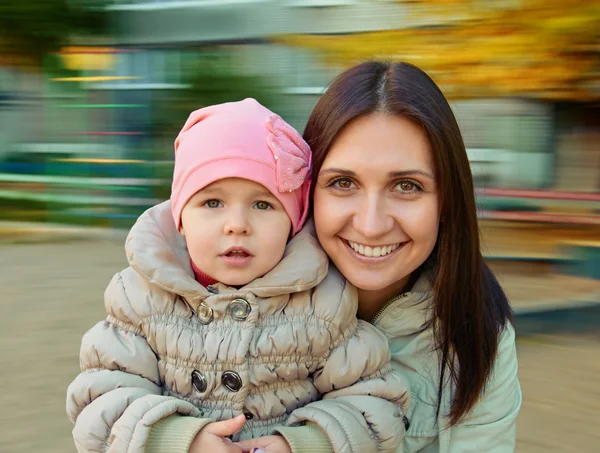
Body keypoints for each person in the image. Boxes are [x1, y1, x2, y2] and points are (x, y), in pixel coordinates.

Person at [66, 98, 410, 453]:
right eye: (212, 203)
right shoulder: (140, 298)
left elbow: (375, 407)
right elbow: (101, 401)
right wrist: (173, 439)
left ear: (293, 224)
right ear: (181, 219)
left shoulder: (323, 304)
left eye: (263, 205)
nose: (237, 225)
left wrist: (305, 444)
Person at [240, 62, 521, 453]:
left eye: (407, 186)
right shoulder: (233, 297)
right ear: (307, 192)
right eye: (343, 183)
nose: (371, 225)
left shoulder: (479, 333)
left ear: (446, 200)